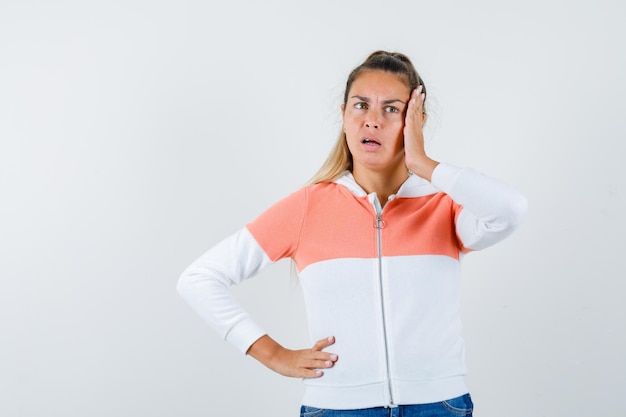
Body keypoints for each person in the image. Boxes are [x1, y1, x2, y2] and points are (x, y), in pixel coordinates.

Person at [177, 51, 528, 416]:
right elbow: (198, 279)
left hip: (438, 405)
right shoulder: (307, 207)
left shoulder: (445, 207)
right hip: (337, 408)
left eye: (392, 109)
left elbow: (510, 210)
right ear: (344, 115)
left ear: (416, 121)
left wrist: (423, 164)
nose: (372, 121)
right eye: (361, 106)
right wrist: (272, 354)